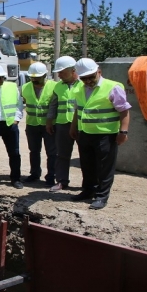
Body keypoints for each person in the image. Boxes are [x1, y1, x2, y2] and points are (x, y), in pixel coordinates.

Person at [69, 58, 131, 210]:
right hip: (85, 133)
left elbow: (124, 110)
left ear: (99, 72)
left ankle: (101, 196)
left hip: (106, 135)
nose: (88, 80)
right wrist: (73, 127)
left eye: (91, 77)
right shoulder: (78, 89)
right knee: (87, 165)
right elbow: (79, 110)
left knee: (104, 167)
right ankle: (88, 191)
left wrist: (123, 131)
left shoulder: (112, 87)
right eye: (84, 78)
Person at [46, 56, 81, 192]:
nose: (59, 75)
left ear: (73, 70)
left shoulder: (83, 84)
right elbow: (53, 106)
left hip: (81, 125)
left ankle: (88, 185)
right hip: (62, 124)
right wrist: (49, 121)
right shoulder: (58, 87)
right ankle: (61, 181)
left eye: (61, 72)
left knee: (86, 156)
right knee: (62, 155)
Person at [21, 62, 57, 187]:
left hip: (50, 125)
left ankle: (51, 176)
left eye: (38, 77)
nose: (35, 80)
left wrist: (50, 122)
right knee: (34, 151)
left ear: (45, 75)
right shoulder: (25, 87)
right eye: (32, 77)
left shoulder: (54, 86)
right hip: (32, 125)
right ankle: (34, 173)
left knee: (52, 152)